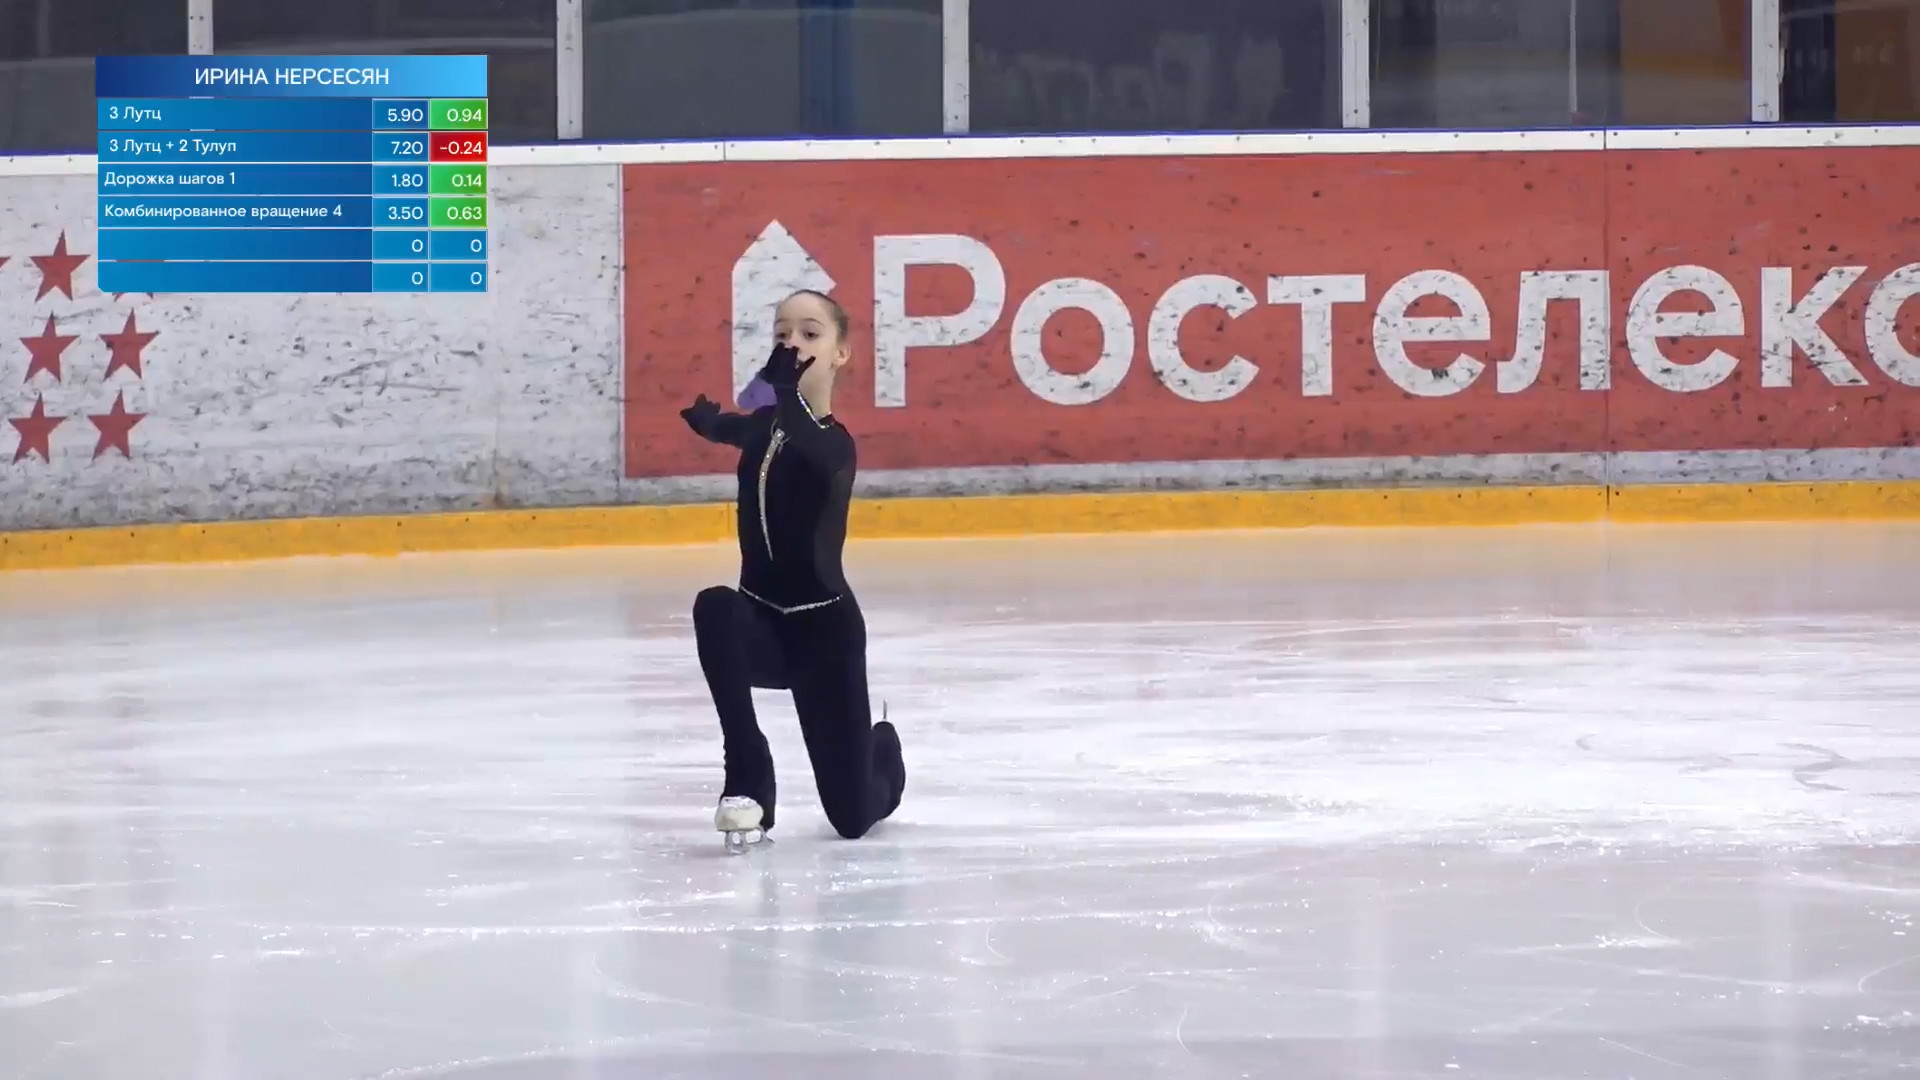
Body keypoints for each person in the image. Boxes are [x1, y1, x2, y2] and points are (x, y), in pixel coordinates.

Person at [678, 289, 906, 847]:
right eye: (782, 334)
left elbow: (806, 441)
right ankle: (747, 772)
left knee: (852, 819)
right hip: (762, 626)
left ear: (840, 354)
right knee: (716, 606)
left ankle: (883, 748)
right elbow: (740, 428)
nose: (793, 344)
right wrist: (710, 424)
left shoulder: (835, 445)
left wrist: (783, 392)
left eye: (809, 333)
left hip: (825, 639)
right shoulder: (763, 427)